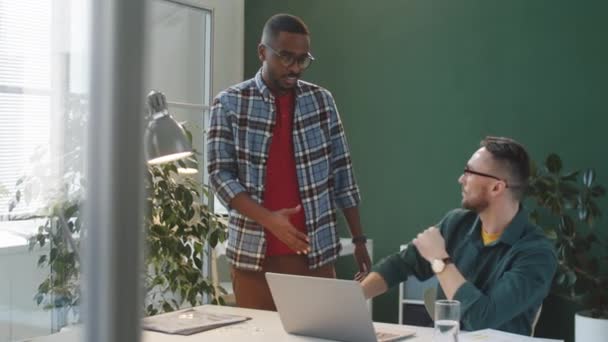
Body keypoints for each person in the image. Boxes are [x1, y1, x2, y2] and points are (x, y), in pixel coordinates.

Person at [207, 13, 371, 311]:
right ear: (262, 52)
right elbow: (220, 175)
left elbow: (342, 172)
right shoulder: (230, 103)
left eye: (302, 59)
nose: (295, 68)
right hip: (254, 259)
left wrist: (359, 238)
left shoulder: (321, 102)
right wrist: (269, 219)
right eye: (285, 58)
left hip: (316, 256)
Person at [361, 136, 557, 335]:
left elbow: (482, 318)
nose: (461, 179)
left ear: (496, 187)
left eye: (469, 172)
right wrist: (354, 298)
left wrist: (440, 260)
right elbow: (400, 265)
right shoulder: (456, 223)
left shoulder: (537, 254)